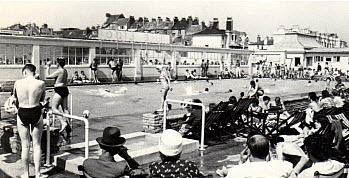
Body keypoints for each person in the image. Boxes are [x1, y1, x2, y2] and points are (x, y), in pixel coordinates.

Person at [13, 64, 47, 178]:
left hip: (22, 111)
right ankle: (38, 174)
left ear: (24, 72)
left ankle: (26, 174)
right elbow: (42, 100)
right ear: (34, 72)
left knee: (25, 145)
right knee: (37, 145)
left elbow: (15, 99)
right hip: (35, 111)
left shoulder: (18, 83)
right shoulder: (41, 83)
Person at [226, 134, 293, 178]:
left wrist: (241, 162)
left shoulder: (236, 171)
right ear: (268, 152)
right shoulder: (283, 166)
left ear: (248, 151)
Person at [46, 58, 71, 141]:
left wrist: (48, 67)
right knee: (65, 108)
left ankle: (63, 122)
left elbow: (47, 76)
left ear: (58, 64)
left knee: (54, 108)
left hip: (59, 90)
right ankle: (68, 125)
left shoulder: (59, 71)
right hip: (65, 89)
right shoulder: (65, 70)